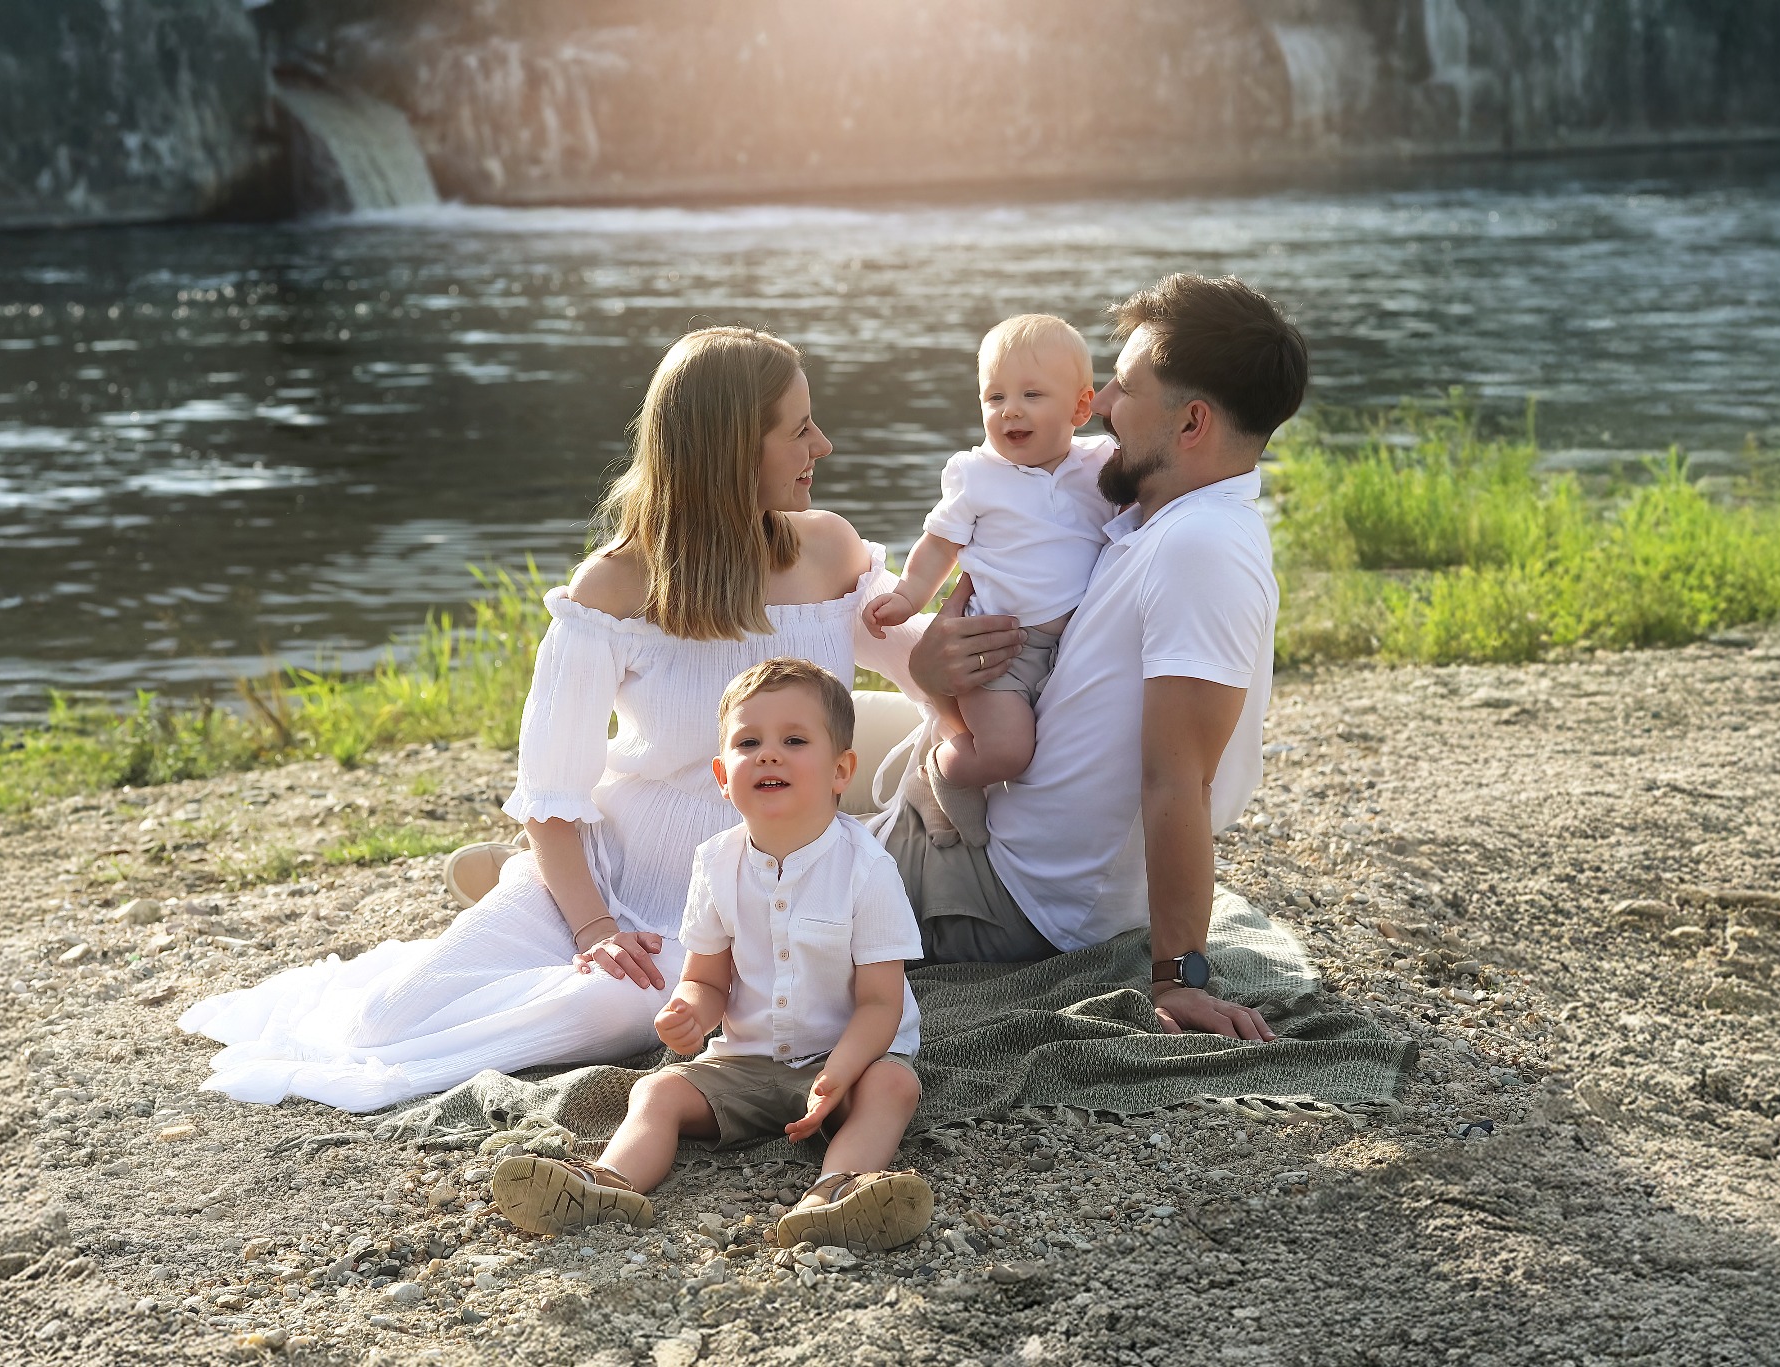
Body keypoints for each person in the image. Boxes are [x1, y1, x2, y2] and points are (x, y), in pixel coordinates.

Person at [176, 327, 925, 1112]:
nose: (822, 445)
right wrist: (592, 924)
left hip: (737, 905)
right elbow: (551, 785)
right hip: (606, 871)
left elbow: (924, 664)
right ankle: (519, 884)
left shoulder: (830, 549)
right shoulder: (613, 588)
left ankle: (520, 903)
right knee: (382, 1020)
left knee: (604, 1009)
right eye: (799, 429)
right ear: (733, 449)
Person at [885, 273, 1307, 1044]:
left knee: (751, 842)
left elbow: (1179, 777)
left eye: (1126, 386)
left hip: (998, 889)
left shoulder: (1200, 548)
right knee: (837, 733)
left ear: (1192, 423)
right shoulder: (1153, 519)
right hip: (997, 827)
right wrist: (934, 682)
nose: (1103, 403)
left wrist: (1180, 977)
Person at [490, 658, 933, 1251]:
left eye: (794, 741)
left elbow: (881, 1002)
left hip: (848, 1059)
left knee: (894, 1088)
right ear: (724, 776)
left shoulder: (867, 868)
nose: (769, 755)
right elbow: (707, 979)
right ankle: (607, 1183)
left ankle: (834, 1194)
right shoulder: (716, 863)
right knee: (656, 1091)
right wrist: (689, 1012)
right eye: (749, 743)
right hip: (746, 1063)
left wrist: (839, 1073)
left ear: (840, 770)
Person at [862, 314, 1116, 848]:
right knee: (1006, 752)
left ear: (1080, 407)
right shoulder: (976, 474)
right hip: (998, 651)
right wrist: (908, 596)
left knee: (1068, 755)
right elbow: (939, 545)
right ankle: (939, 771)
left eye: (1031, 394)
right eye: (994, 397)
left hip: (1075, 649)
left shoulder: (1100, 465)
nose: (1010, 410)